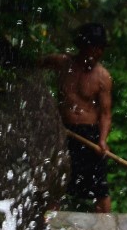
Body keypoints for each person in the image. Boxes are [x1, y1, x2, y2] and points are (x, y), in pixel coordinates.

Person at [40, 23, 114, 213]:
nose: (97, 53)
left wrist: (103, 140)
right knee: (56, 181)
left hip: (89, 135)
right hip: (63, 131)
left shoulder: (103, 77)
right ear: (83, 46)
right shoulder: (62, 64)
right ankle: (47, 224)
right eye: (94, 48)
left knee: (100, 188)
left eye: (100, 49)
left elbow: (105, 114)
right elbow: (34, 64)